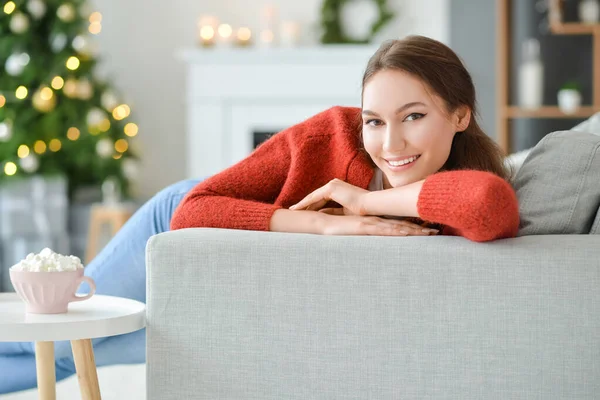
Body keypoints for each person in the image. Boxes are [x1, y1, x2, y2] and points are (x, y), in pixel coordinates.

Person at [0, 35, 519, 393]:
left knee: (76, 354)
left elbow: (488, 206)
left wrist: (364, 202)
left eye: (414, 117)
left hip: (229, 293)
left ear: (461, 114)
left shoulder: (459, 185)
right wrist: (322, 222)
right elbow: (194, 209)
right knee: (64, 343)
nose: (390, 143)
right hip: (182, 230)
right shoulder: (332, 134)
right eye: (375, 122)